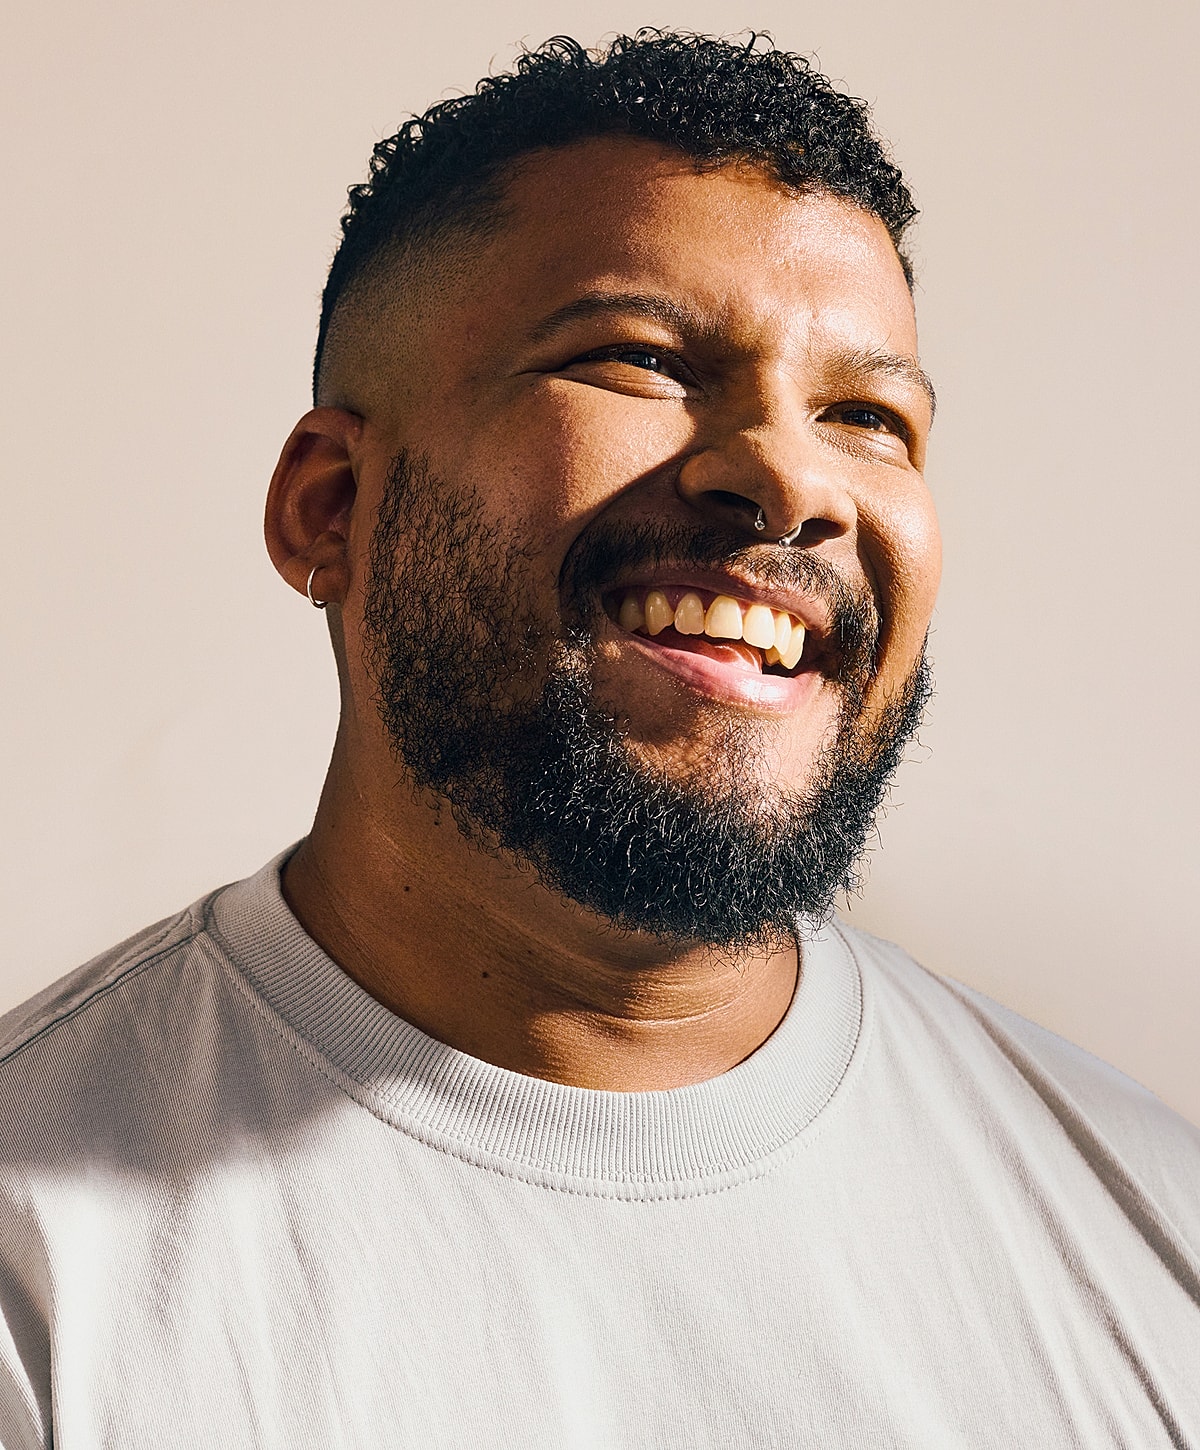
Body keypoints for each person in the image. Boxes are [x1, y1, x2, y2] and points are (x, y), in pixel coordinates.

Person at [1, 30, 1197, 1447]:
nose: (791, 475)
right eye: (638, 358)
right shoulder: (40, 1276)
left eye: (869, 415)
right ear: (332, 510)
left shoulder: (1153, 1232)